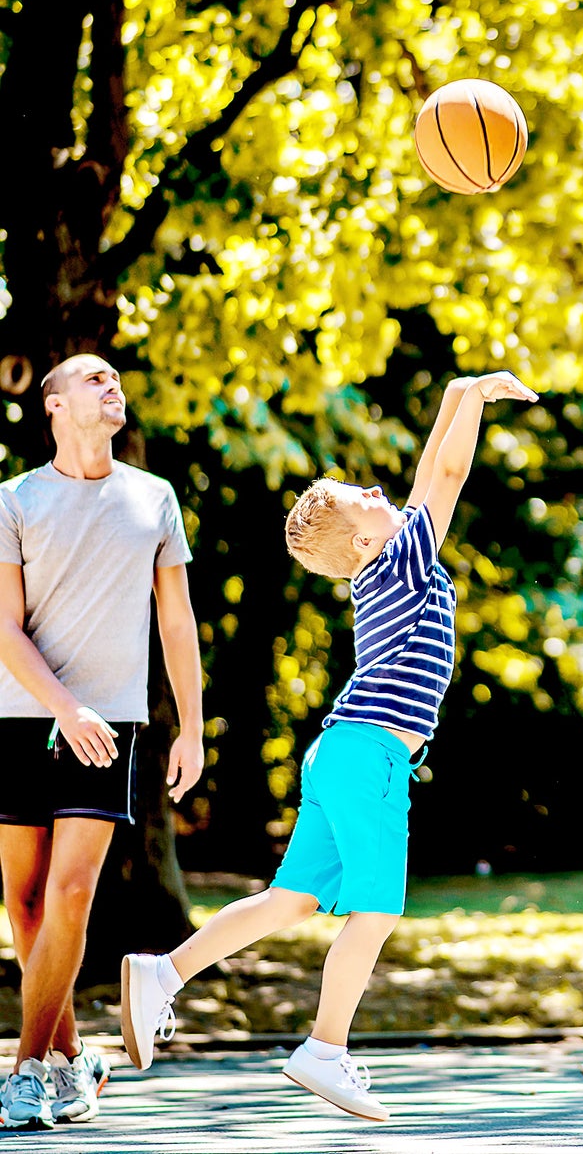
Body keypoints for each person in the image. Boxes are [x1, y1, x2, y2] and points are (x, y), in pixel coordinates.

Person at [120, 370, 537, 1121]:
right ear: (367, 537)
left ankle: (164, 972)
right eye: (366, 500)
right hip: (370, 755)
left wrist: (456, 389)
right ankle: (325, 1048)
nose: (382, 495)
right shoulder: (406, 553)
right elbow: (443, 470)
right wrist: (474, 402)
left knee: (292, 899)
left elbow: (421, 477)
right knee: (374, 910)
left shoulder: (385, 560)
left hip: (339, 751)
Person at [0, 354, 204, 1130]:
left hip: (109, 724)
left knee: (73, 891)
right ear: (53, 404)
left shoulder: (154, 498)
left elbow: (176, 621)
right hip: (19, 717)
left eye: (115, 378)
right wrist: (64, 706)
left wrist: (190, 724)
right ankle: (69, 1054)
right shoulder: (13, 500)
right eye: (93, 378)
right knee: (23, 902)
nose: (111, 385)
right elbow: (3, 627)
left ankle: (23, 1071)